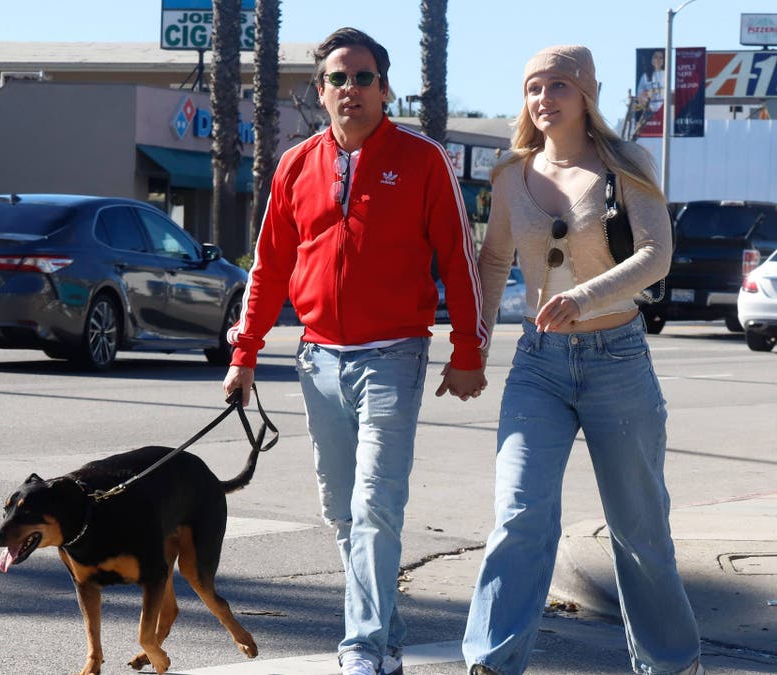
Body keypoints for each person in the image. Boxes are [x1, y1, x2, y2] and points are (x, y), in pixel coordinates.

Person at [221, 27, 488, 675]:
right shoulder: (294, 166)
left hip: (394, 353)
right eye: (338, 79)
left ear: (384, 87)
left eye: (363, 77)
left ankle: (363, 646)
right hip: (318, 358)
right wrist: (245, 351)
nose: (351, 89)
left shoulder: (423, 160)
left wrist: (468, 349)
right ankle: (387, 630)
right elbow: (270, 267)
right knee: (340, 505)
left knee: (375, 500)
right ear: (321, 91)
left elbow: (459, 258)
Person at [461, 45, 703, 675]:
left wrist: (582, 295)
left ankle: (671, 664)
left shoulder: (627, 164)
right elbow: (492, 262)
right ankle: (491, 660)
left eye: (559, 86)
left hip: (616, 359)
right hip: (538, 365)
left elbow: (656, 256)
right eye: (534, 87)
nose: (545, 99)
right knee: (519, 514)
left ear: (588, 93)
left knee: (639, 528)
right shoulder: (511, 173)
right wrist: (474, 344)